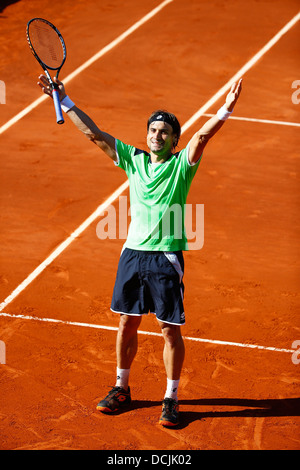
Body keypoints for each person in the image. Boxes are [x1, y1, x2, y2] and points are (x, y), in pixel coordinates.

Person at [38, 74, 242, 427]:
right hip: (132, 252)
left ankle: (171, 398)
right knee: (126, 322)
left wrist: (226, 107)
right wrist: (65, 100)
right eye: (152, 130)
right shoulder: (133, 159)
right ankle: (121, 389)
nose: (157, 136)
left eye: (164, 132)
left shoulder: (182, 166)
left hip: (165, 257)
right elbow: (94, 134)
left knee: (168, 329)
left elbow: (203, 135)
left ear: (174, 140)